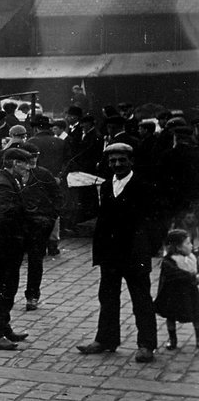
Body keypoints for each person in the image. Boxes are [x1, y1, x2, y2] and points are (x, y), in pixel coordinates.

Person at [77, 143, 160, 362]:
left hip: (135, 254)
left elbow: (151, 221)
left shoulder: (143, 185)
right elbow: (103, 220)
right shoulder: (106, 187)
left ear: (131, 161)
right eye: (112, 161)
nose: (117, 164)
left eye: (122, 160)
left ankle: (146, 345)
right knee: (107, 297)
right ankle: (105, 339)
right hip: (111, 254)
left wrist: (147, 250)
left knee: (141, 299)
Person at [0, 147, 33, 350]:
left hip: (7, 243)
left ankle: (4, 328)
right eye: (24, 163)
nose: (27, 167)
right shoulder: (3, 184)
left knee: (8, 287)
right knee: (4, 288)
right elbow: (6, 216)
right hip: (6, 244)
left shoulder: (5, 180)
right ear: (13, 163)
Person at [19, 143, 63, 311]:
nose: (32, 160)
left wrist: (50, 218)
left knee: (35, 260)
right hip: (19, 224)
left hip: (38, 224)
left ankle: (32, 296)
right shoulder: (15, 175)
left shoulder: (43, 174)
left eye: (35, 156)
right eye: (29, 157)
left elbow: (57, 197)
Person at [156, 229, 199, 351]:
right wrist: (193, 277)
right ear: (178, 247)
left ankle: (198, 338)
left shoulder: (192, 257)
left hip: (190, 293)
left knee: (196, 314)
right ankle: (172, 339)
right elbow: (177, 274)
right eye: (188, 243)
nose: (191, 245)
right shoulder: (169, 261)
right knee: (171, 316)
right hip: (173, 294)